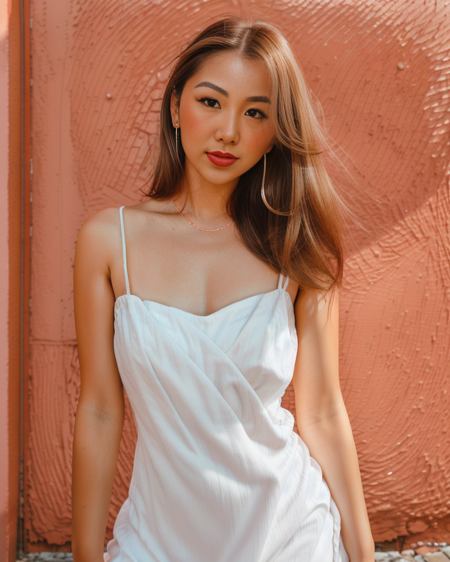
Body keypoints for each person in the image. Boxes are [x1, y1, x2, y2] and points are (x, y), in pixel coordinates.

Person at [71, 17, 374, 562]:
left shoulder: (297, 250)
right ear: (174, 107)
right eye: (211, 102)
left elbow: (323, 412)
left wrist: (364, 555)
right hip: (157, 540)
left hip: (287, 532)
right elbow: (98, 409)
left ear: (276, 131)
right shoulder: (107, 241)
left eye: (255, 112)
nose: (229, 130)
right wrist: (86, 555)